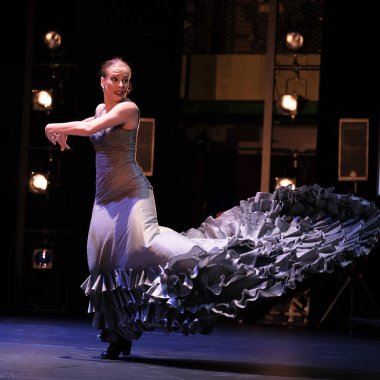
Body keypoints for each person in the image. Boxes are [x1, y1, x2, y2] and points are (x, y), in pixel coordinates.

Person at [45, 57, 380, 360]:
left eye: (125, 79)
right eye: (115, 79)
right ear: (102, 81)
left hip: (133, 194)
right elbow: (91, 122)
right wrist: (63, 131)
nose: (121, 85)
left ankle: (226, 254)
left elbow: (87, 129)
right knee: (103, 263)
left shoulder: (128, 110)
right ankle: (119, 336)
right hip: (105, 199)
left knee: (147, 248)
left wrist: (54, 127)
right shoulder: (102, 110)